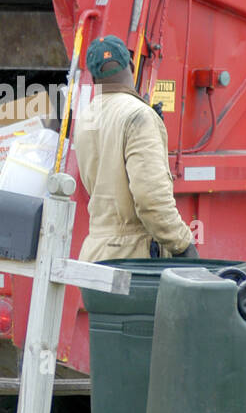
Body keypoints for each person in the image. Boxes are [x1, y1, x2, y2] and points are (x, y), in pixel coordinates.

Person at [73, 34, 199, 263]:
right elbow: (151, 199)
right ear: (131, 65)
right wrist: (183, 246)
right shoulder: (138, 116)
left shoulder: (85, 117)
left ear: (93, 78)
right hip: (133, 262)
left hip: (96, 255)